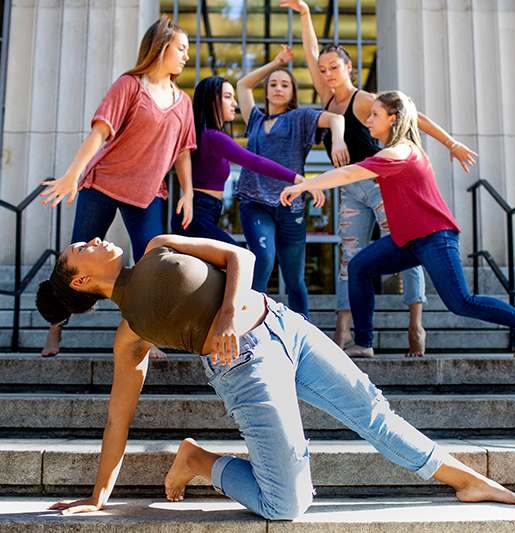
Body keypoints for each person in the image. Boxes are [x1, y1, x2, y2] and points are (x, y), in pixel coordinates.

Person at [37, 234, 515, 520]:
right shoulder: (131, 335)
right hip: (244, 370)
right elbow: (117, 421)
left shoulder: (159, 246)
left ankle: (467, 480)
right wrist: (99, 495)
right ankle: (199, 460)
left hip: (282, 324)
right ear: (80, 280)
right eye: (82, 247)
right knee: (286, 505)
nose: (96, 239)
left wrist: (229, 314)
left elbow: (240, 258)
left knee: (374, 412)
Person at [281, 91, 515, 359]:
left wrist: (304, 185)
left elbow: (349, 172)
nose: (368, 120)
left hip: (434, 236)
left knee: (460, 302)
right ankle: (363, 342)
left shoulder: (401, 150)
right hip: (407, 239)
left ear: (393, 118)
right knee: (360, 266)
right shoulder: (398, 150)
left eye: (375, 115)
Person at [282, 0, 480, 358]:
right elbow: (310, 53)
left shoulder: (363, 102)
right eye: (323, 69)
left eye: (334, 67)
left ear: (349, 69)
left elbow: (410, 114)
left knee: (409, 250)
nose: (326, 73)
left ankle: (415, 321)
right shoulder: (327, 100)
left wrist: (451, 143)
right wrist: (306, 14)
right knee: (351, 258)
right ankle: (348, 329)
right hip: (349, 190)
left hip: (378, 187)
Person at [38, 15, 196, 358]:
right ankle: (55, 328)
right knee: (73, 259)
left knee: (153, 264)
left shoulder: (183, 102)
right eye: (181, 48)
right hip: (104, 183)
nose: (186, 56)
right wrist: (72, 176)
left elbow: (183, 151)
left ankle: (147, 335)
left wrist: (188, 191)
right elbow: (100, 132)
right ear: (161, 48)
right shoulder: (129, 86)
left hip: (148, 193)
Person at [234, 44, 347, 318]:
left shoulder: (301, 118)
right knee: (263, 258)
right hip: (255, 203)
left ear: (293, 92)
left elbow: (335, 118)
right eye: (273, 84)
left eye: (285, 84)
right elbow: (242, 85)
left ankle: (303, 334)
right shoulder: (256, 121)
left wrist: (338, 141)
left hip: (290, 208)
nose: (278, 88)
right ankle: (250, 328)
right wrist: (275, 63)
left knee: (295, 279)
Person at [171, 76, 308, 247]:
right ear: (211, 100)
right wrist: (298, 179)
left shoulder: (204, 136)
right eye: (228, 97)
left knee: (217, 269)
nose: (234, 103)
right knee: (240, 257)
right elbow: (256, 162)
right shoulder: (213, 137)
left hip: (204, 213)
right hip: (196, 215)